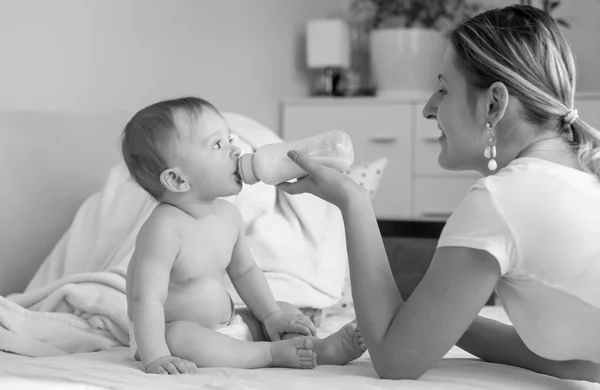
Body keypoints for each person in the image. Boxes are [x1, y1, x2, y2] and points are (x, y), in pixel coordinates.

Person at [278, 4, 600, 383]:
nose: (429, 109)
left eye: (443, 89)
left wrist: (354, 201)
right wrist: (437, 316)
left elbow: (394, 360)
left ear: (494, 104)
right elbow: (582, 363)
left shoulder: (502, 199)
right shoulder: (582, 176)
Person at [122, 97, 366, 375]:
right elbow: (147, 300)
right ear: (177, 180)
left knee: (283, 310)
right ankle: (271, 353)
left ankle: (320, 349)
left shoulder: (228, 215)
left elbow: (246, 271)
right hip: (164, 336)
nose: (235, 150)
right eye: (217, 144)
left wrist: (271, 315)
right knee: (180, 335)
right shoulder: (163, 228)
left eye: (230, 139)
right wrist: (155, 356)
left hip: (229, 326)